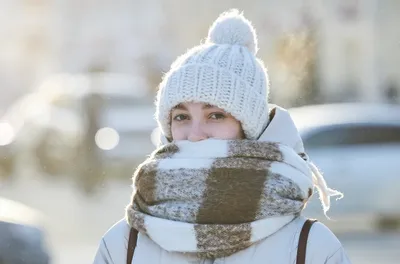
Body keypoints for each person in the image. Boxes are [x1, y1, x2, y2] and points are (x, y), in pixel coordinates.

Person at [93, 9, 351, 264]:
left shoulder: (311, 249)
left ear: (249, 127)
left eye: (215, 116)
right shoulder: (124, 246)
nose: (195, 135)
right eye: (181, 117)